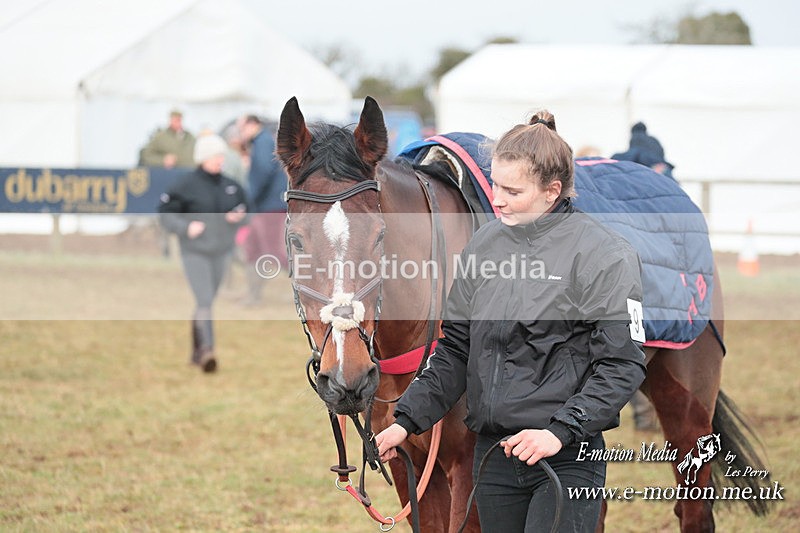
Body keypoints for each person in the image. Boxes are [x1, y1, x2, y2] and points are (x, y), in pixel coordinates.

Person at [376, 111, 647, 532]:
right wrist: (406, 421)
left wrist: (558, 432)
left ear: (551, 191)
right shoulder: (483, 246)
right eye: (495, 186)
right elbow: (456, 349)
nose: (497, 200)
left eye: (512, 191)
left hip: (565, 458)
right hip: (495, 458)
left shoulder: (604, 254)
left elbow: (622, 364)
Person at [158, 133, 248, 372]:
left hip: (222, 252)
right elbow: (165, 213)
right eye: (215, 156)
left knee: (204, 301)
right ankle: (208, 351)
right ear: (203, 158)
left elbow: (247, 209)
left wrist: (238, 217)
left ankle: (196, 352)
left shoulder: (231, 185)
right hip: (194, 252)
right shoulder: (184, 185)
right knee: (205, 300)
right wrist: (185, 227)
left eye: (221, 156)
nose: (220, 160)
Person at [239, 115, 288, 306]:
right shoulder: (264, 141)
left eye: (241, 128)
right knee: (253, 249)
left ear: (252, 125)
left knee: (274, 252)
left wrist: (248, 199)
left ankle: (309, 288)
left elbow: (262, 173)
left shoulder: (262, 142)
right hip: (265, 205)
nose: (240, 133)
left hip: (270, 206)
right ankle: (253, 295)